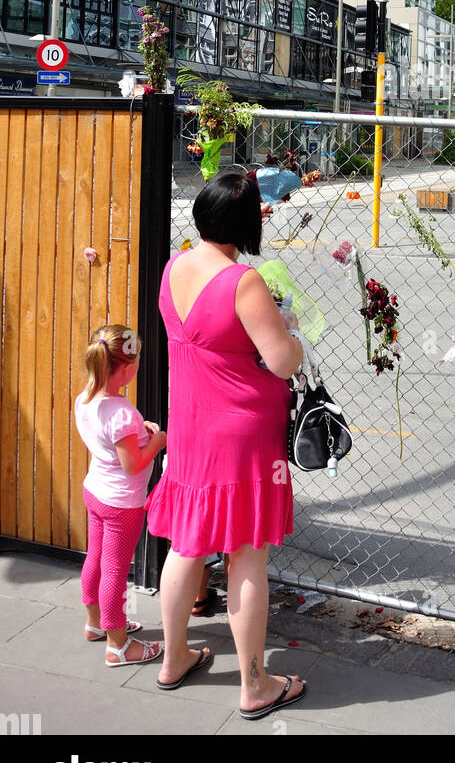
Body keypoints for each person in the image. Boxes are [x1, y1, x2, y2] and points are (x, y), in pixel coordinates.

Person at [145, 168, 307, 718]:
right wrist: (295, 335)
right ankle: (256, 685)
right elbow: (282, 361)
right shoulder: (244, 282)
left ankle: (174, 658)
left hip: (190, 428)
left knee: (187, 544)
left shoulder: (174, 268)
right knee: (246, 556)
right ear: (244, 223)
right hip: (241, 435)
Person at [74, 326, 166, 666]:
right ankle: (118, 644)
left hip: (95, 491)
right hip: (121, 504)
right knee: (114, 569)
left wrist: (140, 433)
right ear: (128, 369)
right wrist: (157, 441)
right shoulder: (123, 413)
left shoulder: (85, 399)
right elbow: (133, 465)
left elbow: (109, 442)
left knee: (95, 559)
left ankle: (94, 623)